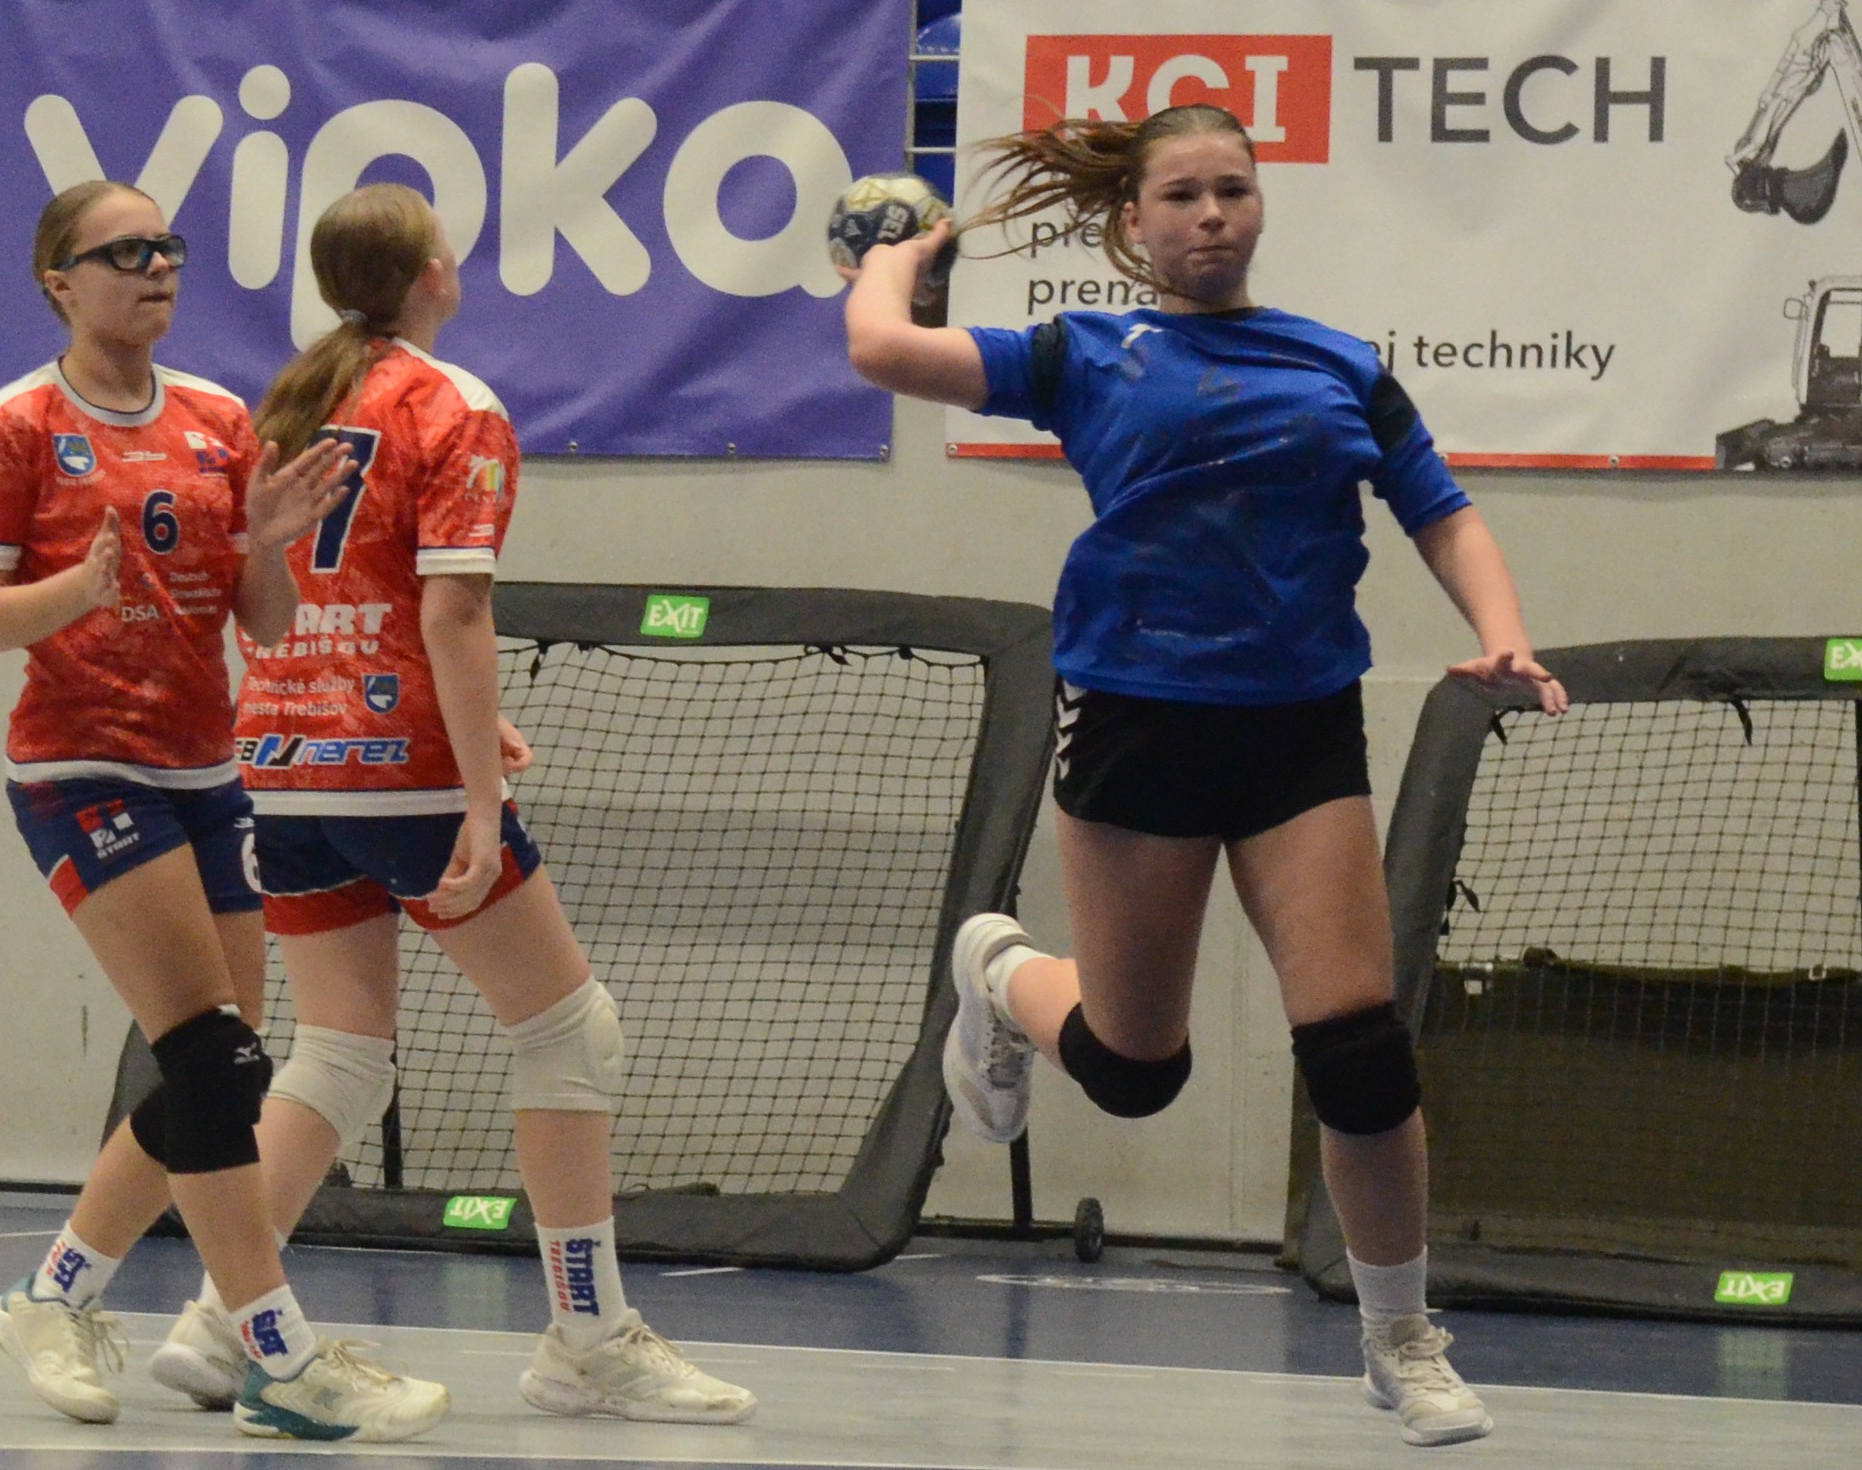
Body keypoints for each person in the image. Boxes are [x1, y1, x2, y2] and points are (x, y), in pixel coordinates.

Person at [841, 106, 1568, 1448]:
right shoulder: (1082, 353)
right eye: (1181, 194)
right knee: (1134, 1070)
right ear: (1132, 222)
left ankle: (1400, 1338)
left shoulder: (1337, 364)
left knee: (1358, 1052)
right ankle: (1001, 972)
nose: (1212, 213)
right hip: (1139, 720)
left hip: (1298, 730)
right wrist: (893, 257)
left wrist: (1501, 628)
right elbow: (883, 349)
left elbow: (1440, 508)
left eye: (1233, 188)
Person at [137, 181, 757, 1426]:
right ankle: (588, 1339)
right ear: (433, 272)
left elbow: (295, 598)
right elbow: (453, 609)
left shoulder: (287, 404)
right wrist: (479, 791)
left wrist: (453, 725)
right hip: (404, 778)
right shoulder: (451, 403)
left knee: (338, 1049)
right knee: (569, 1031)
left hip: (285, 765)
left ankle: (221, 1319)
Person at [0, 179, 451, 1442]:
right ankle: (281, 1357)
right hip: (81, 770)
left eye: (165, 247)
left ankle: (51, 1298)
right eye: (124, 253)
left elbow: (264, 624)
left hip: (204, 771)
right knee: (216, 1060)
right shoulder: (13, 426)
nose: (156, 267)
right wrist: (77, 593)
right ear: (59, 281)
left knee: (215, 1069)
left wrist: (264, 543)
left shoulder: (220, 419)